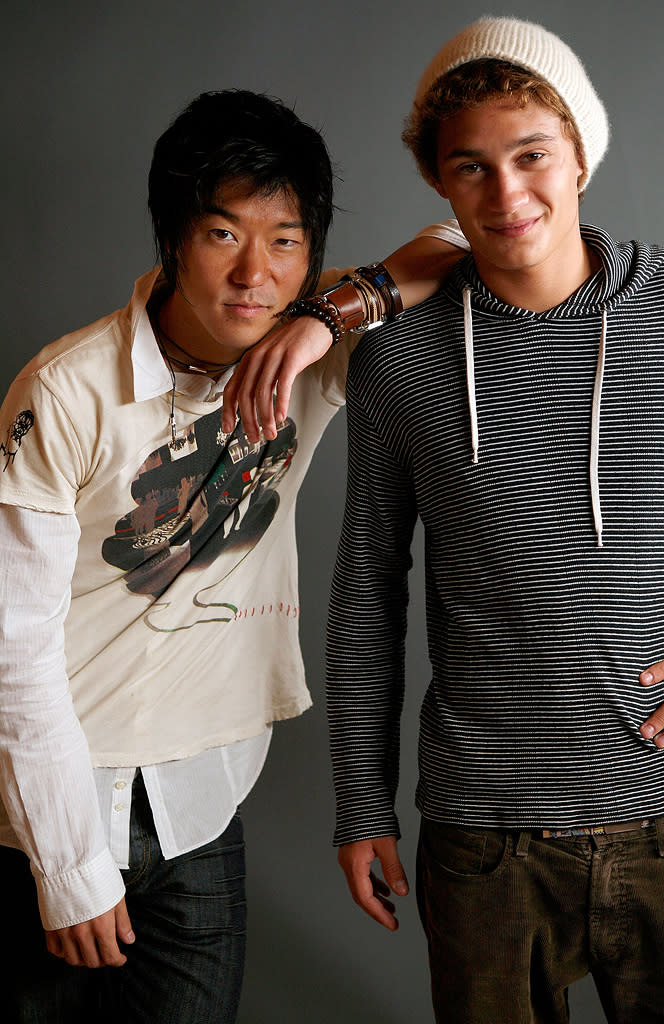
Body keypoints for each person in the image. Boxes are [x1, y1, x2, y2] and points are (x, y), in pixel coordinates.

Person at [0, 88, 464, 1023]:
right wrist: (67, 864)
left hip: (202, 804)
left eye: (286, 240)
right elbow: (10, 648)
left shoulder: (309, 358)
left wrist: (322, 321)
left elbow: (459, 239)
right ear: (174, 238)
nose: (256, 273)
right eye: (223, 234)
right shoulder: (68, 390)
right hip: (51, 809)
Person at [324, 16, 664, 1024]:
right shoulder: (401, 357)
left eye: (530, 155)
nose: (506, 195)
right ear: (438, 182)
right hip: (482, 842)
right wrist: (357, 801)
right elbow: (368, 586)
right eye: (470, 167)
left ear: (580, 154)